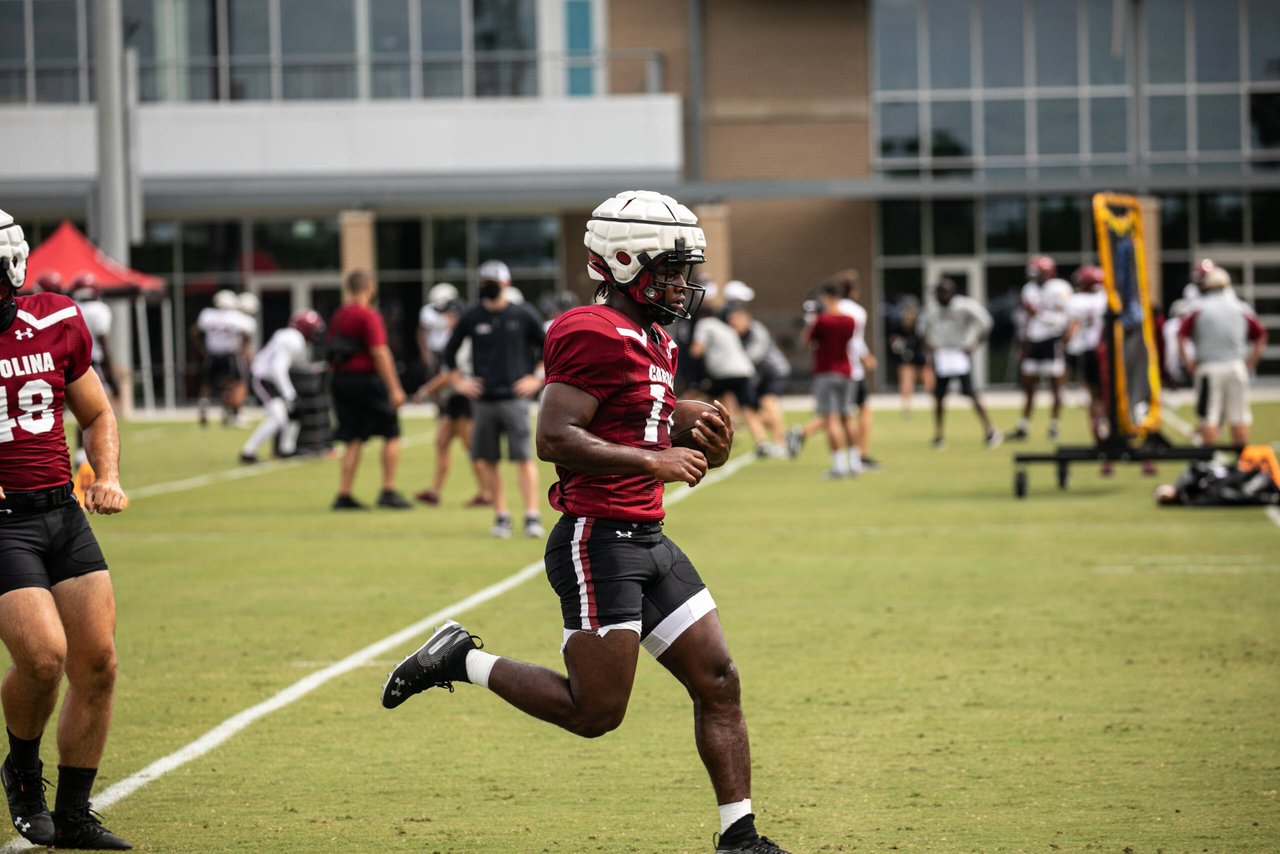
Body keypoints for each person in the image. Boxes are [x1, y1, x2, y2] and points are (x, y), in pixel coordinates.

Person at [381, 190, 791, 854]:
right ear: (625, 260)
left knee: (718, 679)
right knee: (595, 712)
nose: (683, 283)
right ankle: (462, 658)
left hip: (648, 536)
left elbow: (635, 413)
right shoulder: (589, 329)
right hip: (597, 540)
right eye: (671, 267)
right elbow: (556, 437)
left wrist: (688, 421)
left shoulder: (654, 336)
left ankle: (739, 838)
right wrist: (654, 459)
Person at [0, 211, 132, 849]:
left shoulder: (55, 318)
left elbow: (96, 411)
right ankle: (23, 771)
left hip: (60, 511)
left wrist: (104, 473)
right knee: (44, 656)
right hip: (1, 525)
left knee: (98, 663)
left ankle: (76, 814)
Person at [441, 259, 547, 538]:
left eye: (493, 284)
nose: (488, 288)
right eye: (484, 284)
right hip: (483, 399)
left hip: (514, 398)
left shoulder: (522, 315)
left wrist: (537, 378)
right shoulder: (472, 317)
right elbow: (449, 351)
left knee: (523, 457)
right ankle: (501, 516)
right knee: (488, 459)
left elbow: (547, 346)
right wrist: (459, 383)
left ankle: (531, 516)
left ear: (506, 284)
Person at [327, 270, 411, 510]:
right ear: (369, 287)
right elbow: (379, 352)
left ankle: (344, 493)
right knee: (391, 432)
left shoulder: (340, 314)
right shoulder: (368, 315)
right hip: (366, 380)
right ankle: (388, 489)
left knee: (353, 437)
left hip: (341, 379)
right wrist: (395, 388)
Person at [411, 300, 491, 508]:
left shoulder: (463, 340)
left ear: (455, 315)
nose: (444, 319)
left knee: (472, 447)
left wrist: (424, 391)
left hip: (463, 398)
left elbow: (449, 376)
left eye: (446, 314)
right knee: (442, 442)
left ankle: (487, 492)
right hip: (452, 399)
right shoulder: (455, 338)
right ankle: (434, 492)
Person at [1178, 267, 1267, 447]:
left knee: (1209, 417)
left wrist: (1187, 362)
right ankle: (1242, 465)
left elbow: (1181, 335)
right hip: (1236, 367)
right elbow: (1261, 336)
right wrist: (1249, 363)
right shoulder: (1241, 307)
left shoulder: (1198, 308)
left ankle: (1208, 463)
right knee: (1239, 417)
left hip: (1209, 368)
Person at [918, 278, 1001, 450]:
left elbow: (986, 322)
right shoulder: (931, 309)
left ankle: (990, 430)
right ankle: (939, 435)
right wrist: (930, 349)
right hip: (942, 354)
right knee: (939, 396)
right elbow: (921, 330)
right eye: (938, 292)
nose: (940, 296)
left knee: (971, 393)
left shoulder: (964, 305)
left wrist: (975, 344)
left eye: (943, 292)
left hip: (958, 353)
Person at [238, 309, 324, 464]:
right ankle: (248, 452)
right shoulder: (294, 339)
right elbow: (278, 369)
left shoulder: (290, 336)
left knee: (294, 412)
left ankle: (287, 449)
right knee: (278, 417)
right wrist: (289, 394)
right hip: (264, 378)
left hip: (271, 378)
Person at [795, 283, 858, 478]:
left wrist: (811, 321)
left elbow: (804, 343)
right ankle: (854, 463)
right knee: (847, 417)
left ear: (826, 297)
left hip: (826, 372)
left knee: (832, 419)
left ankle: (839, 466)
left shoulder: (822, 321)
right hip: (846, 372)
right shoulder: (850, 320)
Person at [1008, 255, 1072, 441]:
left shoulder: (1060, 288)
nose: (1035, 278)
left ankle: (1054, 426)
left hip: (1052, 340)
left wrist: (1039, 314)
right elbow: (1027, 318)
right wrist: (1024, 340)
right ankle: (1024, 425)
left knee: (1056, 386)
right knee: (1028, 386)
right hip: (1033, 341)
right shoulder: (1028, 289)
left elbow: (1062, 319)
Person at [690, 304, 768, 456]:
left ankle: (679, 428)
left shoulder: (704, 324)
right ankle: (761, 441)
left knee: (697, 400)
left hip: (723, 372)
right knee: (746, 408)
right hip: (743, 370)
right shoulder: (724, 328)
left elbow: (697, 350)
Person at [734, 304, 791, 456]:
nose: (735, 325)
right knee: (748, 409)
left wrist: (733, 362)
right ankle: (762, 443)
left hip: (774, 372)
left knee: (768, 403)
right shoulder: (735, 335)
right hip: (756, 377)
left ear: (747, 319)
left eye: (738, 320)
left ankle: (781, 444)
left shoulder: (757, 331)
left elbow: (755, 355)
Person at [1064, 265, 1109, 457]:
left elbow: (1072, 327)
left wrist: (1063, 344)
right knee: (1108, 394)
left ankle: (1098, 434)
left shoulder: (1075, 301)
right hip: (1106, 350)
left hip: (1088, 352)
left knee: (1093, 397)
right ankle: (1108, 424)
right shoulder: (1106, 297)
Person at [836, 272, 880, 471]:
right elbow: (855, 340)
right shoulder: (857, 311)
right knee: (859, 412)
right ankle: (860, 454)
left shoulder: (832, 309)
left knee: (838, 414)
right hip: (852, 368)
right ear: (853, 290)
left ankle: (803, 434)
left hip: (832, 367)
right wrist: (867, 358)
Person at [193, 289, 254, 427]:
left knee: (207, 384)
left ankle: (204, 406)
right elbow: (246, 335)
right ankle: (232, 412)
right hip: (229, 355)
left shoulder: (207, 314)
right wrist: (242, 346)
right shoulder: (237, 316)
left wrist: (201, 348)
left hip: (212, 354)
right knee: (234, 383)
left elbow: (195, 332)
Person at [889, 296, 933, 417]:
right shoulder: (897, 325)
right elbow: (893, 341)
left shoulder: (920, 325)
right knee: (906, 382)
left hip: (919, 355)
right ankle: (906, 410)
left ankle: (934, 405)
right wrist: (898, 346)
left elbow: (927, 339)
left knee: (929, 381)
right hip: (906, 356)